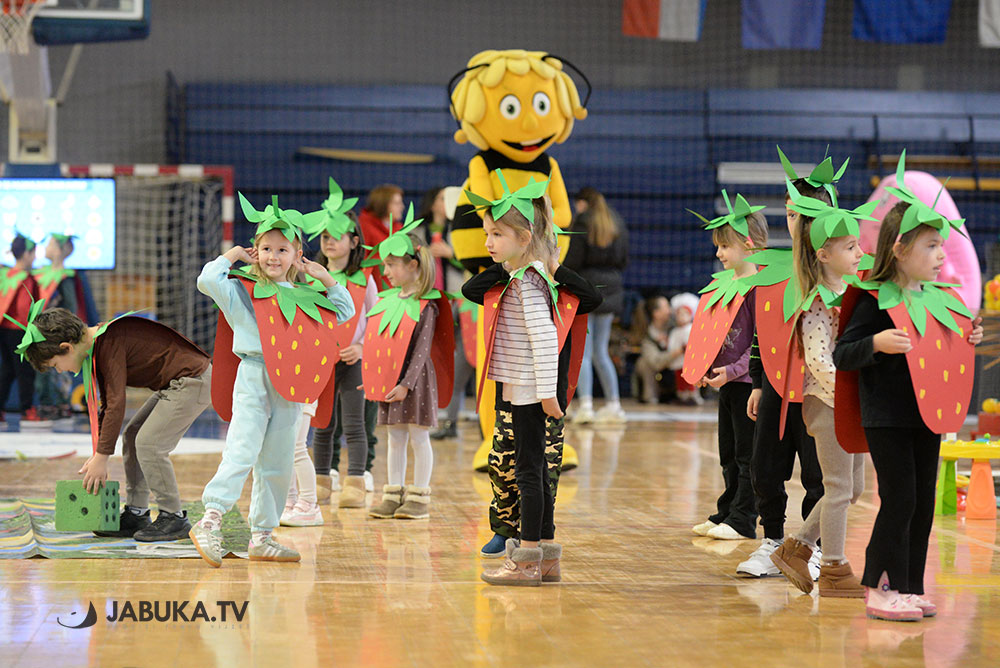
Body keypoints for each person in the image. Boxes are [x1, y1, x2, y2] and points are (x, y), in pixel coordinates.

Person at [834, 198, 982, 621]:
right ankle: (879, 587)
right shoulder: (874, 301)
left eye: (942, 246)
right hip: (886, 415)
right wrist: (876, 345)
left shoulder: (940, 301)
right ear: (899, 250)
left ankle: (910, 586)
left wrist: (966, 338)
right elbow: (843, 353)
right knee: (898, 499)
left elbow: (944, 350)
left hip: (927, 415)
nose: (941, 256)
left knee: (920, 501)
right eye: (931, 246)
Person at [189, 196, 353, 566]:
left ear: (297, 255)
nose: (273, 257)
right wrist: (232, 255)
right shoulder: (241, 291)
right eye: (265, 249)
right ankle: (210, 520)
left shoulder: (307, 295)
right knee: (242, 450)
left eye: (283, 249)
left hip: (290, 386)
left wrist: (324, 277)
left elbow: (344, 310)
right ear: (255, 250)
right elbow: (206, 279)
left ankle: (262, 536)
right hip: (254, 376)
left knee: (278, 461)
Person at [462, 177, 601, 559]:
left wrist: (550, 263)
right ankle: (514, 534)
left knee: (537, 470)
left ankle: (534, 545)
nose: (487, 241)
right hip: (516, 385)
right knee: (506, 463)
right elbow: (471, 290)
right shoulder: (515, 277)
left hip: (539, 389)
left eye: (496, 234)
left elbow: (562, 325)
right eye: (487, 233)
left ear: (526, 237)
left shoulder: (539, 282)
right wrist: (510, 261)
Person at [19, 305, 212, 542]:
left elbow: (116, 403)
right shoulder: (99, 345)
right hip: (176, 383)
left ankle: (173, 517)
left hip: (192, 381)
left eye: (56, 365)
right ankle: (137, 513)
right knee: (132, 437)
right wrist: (101, 450)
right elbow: (107, 404)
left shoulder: (107, 343)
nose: (61, 371)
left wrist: (102, 456)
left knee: (149, 444)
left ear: (66, 348)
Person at [768, 181, 873, 597]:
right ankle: (832, 567)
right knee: (839, 487)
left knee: (855, 488)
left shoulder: (852, 292)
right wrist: (851, 391)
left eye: (858, 245)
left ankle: (796, 547)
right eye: (850, 247)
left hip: (851, 403)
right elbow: (818, 360)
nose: (860, 253)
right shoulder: (815, 300)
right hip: (827, 403)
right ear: (824, 254)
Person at [282, 180, 379, 524]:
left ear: (354, 241)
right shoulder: (307, 277)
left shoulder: (363, 278)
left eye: (337, 235)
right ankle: (321, 478)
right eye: (324, 236)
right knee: (321, 424)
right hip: (317, 363)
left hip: (352, 361)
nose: (330, 241)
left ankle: (355, 480)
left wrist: (361, 347)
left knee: (354, 423)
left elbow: (375, 317)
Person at [686, 193, 766, 542]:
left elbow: (759, 342)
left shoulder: (759, 287)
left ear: (748, 245)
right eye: (717, 246)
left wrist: (732, 371)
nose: (719, 254)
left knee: (748, 455)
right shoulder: (724, 284)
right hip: (727, 383)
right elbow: (712, 335)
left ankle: (744, 519)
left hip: (749, 383)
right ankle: (727, 511)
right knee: (728, 453)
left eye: (725, 246)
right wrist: (705, 367)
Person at [364, 218, 452, 521]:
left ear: (413, 265)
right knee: (395, 438)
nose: (386, 272)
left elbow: (421, 350)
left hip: (415, 382)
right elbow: (377, 343)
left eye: (391, 265)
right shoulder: (386, 301)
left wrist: (406, 383)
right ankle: (393, 494)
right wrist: (372, 377)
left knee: (418, 437)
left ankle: (419, 497)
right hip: (391, 380)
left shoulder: (426, 304)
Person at [564, 188, 628, 423]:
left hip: (586, 290)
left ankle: (586, 406)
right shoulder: (615, 221)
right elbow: (624, 259)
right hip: (611, 291)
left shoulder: (582, 221)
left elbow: (573, 260)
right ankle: (614, 404)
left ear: (581, 203)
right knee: (601, 352)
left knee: (584, 353)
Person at [417, 186, 474, 440]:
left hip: (458, 297)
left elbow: (473, 260)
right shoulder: (419, 231)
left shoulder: (459, 230)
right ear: (432, 203)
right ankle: (429, 412)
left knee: (461, 356)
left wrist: (452, 254)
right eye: (440, 198)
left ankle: (450, 416)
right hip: (428, 299)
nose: (445, 203)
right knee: (428, 356)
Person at [0, 232, 40, 423]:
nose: (34, 258)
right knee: (25, 371)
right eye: (33, 253)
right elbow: (25, 309)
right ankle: (28, 409)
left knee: (7, 370)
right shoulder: (26, 278)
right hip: (19, 331)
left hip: (3, 330)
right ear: (26, 254)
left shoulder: (5, 275)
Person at [358, 184, 404, 289]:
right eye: (397, 203)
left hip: (397, 286)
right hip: (373, 286)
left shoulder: (399, 227)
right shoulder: (364, 225)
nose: (402, 206)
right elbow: (361, 259)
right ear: (383, 204)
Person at [667, 293, 702, 404]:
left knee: (691, 380)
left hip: (690, 360)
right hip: (678, 360)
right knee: (680, 380)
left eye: (685, 314)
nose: (682, 317)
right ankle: (683, 396)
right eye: (679, 314)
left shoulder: (693, 329)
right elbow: (671, 345)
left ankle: (693, 396)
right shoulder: (674, 332)